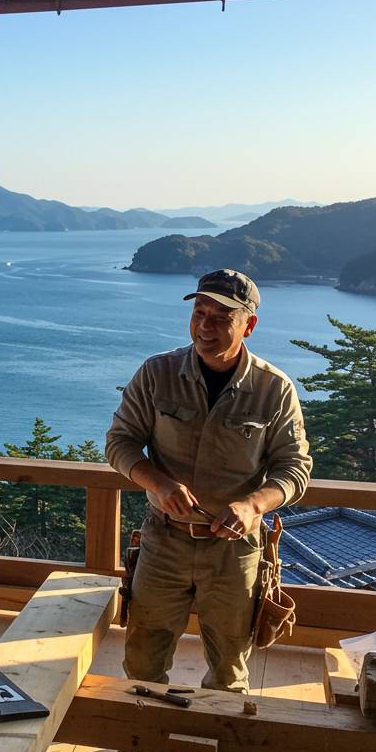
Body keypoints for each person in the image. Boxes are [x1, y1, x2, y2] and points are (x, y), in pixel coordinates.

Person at [105, 268, 312, 713]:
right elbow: (119, 443)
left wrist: (253, 505)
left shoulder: (274, 389)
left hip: (236, 551)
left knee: (229, 669)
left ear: (249, 325)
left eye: (221, 317)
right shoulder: (157, 373)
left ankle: (218, 744)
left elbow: (295, 468)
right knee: (142, 660)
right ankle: (138, 741)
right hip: (163, 540)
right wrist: (158, 483)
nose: (205, 325)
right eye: (200, 313)